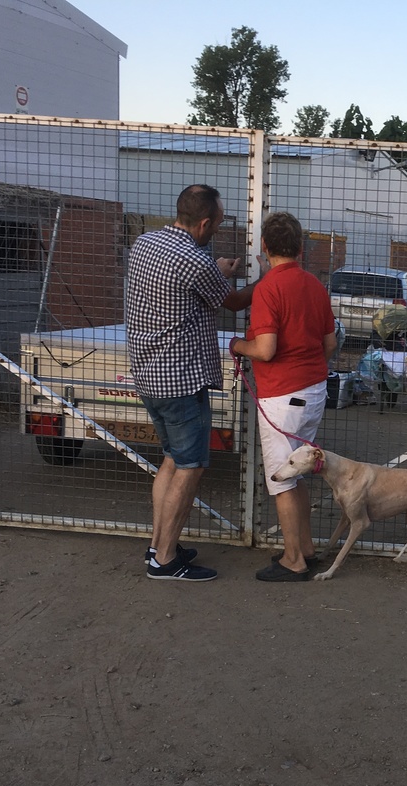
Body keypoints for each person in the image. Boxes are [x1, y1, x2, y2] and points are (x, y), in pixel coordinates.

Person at [125, 184, 257, 582]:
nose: (216, 230)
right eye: (216, 224)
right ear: (204, 223)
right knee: (190, 467)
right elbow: (234, 302)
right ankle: (166, 560)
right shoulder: (196, 261)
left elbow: (183, 285)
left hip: (149, 375)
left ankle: (158, 545)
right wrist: (271, 280)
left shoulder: (145, 244)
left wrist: (217, 271)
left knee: (172, 460)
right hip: (181, 381)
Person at [229, 212, 338, 583]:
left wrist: (237, 345)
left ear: (264, 246)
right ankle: (304, 548)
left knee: (281, 478)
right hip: (314, 391)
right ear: (300, 247)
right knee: (297, 470)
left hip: (282, 396)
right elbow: (329, 344)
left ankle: (293, 560)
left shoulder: (268, 288)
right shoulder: (315, 285)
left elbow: (265, 349)